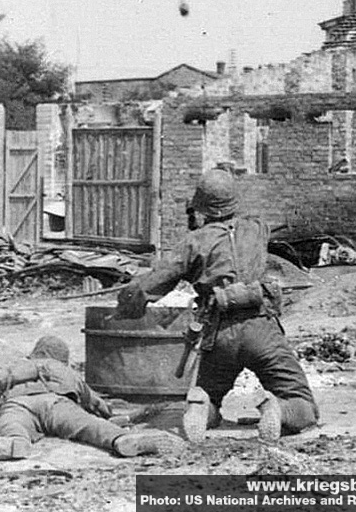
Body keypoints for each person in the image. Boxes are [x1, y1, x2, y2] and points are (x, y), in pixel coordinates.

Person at [115, 169, 319, 444]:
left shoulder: (194, 242)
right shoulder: (257, 228)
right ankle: (279, 409)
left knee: (209, 394)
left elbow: (153, 282)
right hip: (262, 330)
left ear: (200, 206)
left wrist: (125, 306)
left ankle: (202, 408)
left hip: (218, 335)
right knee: (303, 404)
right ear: (234, 200)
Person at [0, 335, 186, 462]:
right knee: (88, 425)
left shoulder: (17, 367)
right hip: (57, 402)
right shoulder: (63, 369)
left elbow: (0, 391)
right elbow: (93, 402)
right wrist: (110, 414)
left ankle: (14, 442)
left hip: (17, 403)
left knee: (12, 426)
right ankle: (121, 440)